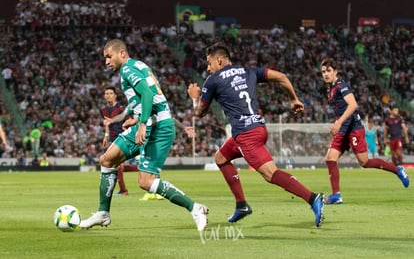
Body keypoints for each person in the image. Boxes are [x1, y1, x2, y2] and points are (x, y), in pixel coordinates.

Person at [187, 42, 324, 227]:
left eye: (209, 63)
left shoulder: (213, 80)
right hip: (258, 128)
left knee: (270, 174)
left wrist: (195, 97)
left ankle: (313, 198)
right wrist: (294, 99)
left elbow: (199, 113)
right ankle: (241, 205)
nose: (208, 67)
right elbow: (282, 77)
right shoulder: (248, 71)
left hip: (246, 135)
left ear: (219, 60)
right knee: (220, 158)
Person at [80, 39, 208, 232]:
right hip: (150, 122)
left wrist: (141, 124)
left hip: (157, 128)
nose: (106, 61)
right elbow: (151, 96)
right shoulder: (138, 65)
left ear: (121, 53)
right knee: (107, 160)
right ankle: (103, 213)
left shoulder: (126, 69)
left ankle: (195, 208)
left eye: (109, 56)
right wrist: (139, 117)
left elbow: (147, 94)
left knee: (146, 182)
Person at [320, 58, 409, 205]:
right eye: (323, 71)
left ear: (335, 71)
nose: (325, 74)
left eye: (328, 71)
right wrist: (339, 123)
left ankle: (397, 170)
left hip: (354, 128)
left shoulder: (341, 86)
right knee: (330, 159)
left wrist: (338, 123)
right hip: (343, 130)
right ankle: (336, 195)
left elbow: (353, 105)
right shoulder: (330, 89)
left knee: (365, 162)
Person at [101, 86, 129, 196]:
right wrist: (106, 136)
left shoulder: (121, 109)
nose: (108, 95)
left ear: (115, 95)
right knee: (116, 164)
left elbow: (127, 121)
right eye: (106, 93)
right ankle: (122, 190)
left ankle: (123, 190)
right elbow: (106, 123)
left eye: (111, 93)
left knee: (117, 164)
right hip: (113, 139)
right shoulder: (103, 110)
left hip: (123, 137)